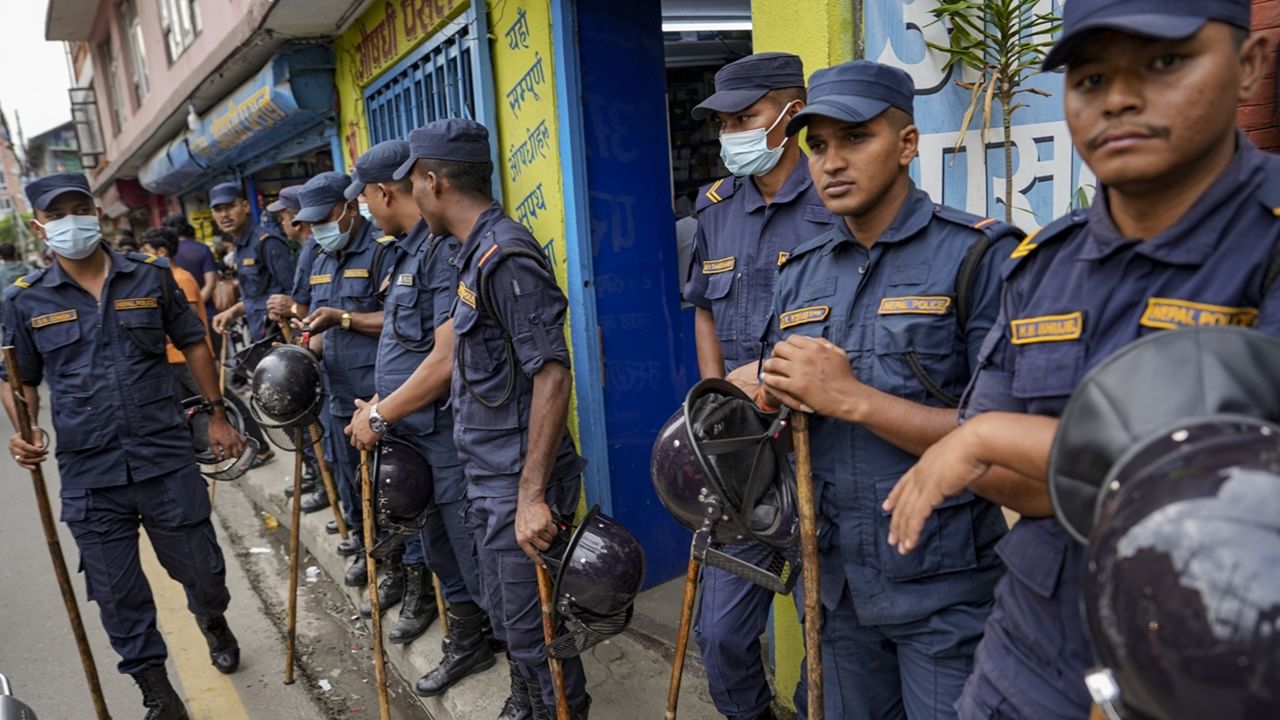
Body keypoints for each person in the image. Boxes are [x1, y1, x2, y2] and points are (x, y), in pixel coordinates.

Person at [880, 2, 1280, 718]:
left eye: (1165, 63)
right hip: (1032, 653)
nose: (1120, 98)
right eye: (1091, 77)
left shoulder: (1267, 250)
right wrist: (1003, 448)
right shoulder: (1042, 266)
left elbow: (1233, 494)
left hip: (1213, 671)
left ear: (1249, 64)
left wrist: (996, 437)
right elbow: (1013, 484)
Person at [729, 60, 1016, 720]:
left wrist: (852, 398)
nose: (831, 162)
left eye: (855, 139)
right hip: (835, 588)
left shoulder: (978, 257)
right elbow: (791, 408)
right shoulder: (801, 272)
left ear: (907, 144)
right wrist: (770, 397)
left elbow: (1009, 441)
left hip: (944, 596)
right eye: (818, 145)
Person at [4, 173, 248, 720]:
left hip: (164, 457)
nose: (71, 220)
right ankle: (159, 695)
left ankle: (212, 620)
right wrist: (26, 428)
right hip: (91, 473)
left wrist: (217, 415)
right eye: (57, 213)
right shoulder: (24, 300)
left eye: (78, 207)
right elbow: (18, 376)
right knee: (118, 596)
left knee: (203, 574)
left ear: (94, 211)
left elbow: (193, 341)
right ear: (41, 226)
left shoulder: (151, 277)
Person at [396, 118, 591, 718]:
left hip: (518, 485)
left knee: (538, 630)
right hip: (489, 476)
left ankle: (559, 709)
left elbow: (552, 374)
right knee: (514, 621)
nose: (411, 197)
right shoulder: (469, 253)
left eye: (413, 185)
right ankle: (529, 703)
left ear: (433, 181)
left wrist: (532, 495)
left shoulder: (505, 256)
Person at [681, 51, 834, 720]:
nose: (730, 134)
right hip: (743, 459)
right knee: (721, 636)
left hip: (826, 446)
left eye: (746, 117)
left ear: (791, 113)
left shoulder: (835, 199)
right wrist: (716, 404)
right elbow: (705, 310)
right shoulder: (714, 208)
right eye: (723, 123)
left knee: (832, 633)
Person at [344, 139, 499, 700]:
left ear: (384, 191)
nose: (363, 208)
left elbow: (445, 358)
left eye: (362, 197)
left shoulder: (443, 252)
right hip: (414, 432)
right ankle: (470, 637)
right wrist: (382, 403)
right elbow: (405, 344)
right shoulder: (408, 250)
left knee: (472, 550)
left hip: (447, 437)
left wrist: (382, 413)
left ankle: (501, 643)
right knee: (438, 545)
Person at [291, 172, 404, 590]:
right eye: (312, 221)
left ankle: (397, 570)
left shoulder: (383, 252)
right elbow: (319, 329)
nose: (320, 228)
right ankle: (364, 544)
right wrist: (301, 350)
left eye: (325, 217)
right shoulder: (321, 258)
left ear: (349, 207)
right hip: (335, 394)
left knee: (389, 488)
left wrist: (344, 317)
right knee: (350, 482)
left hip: (379, 394)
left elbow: (399, 322)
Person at [209, 181, 296, 343]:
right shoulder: (240, 246)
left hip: (281, 336)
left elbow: (294, 293)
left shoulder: (266, 242)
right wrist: (233, 311)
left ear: (246, 206)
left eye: (229, 207)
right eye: (218, 210)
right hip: (259, 335)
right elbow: (255, 298)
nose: (224, 215)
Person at [162, 213, 217, 332]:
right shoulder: (202, 249)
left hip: (180, 321)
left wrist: (187, 310)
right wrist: (198, 304)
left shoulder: (166, 254)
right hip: (208, 314)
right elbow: (211, 283)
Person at [0, 242, 32, 316]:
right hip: (29, 311)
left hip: (7, 313)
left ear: (1, 257)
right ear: (15, 254)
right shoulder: (29, 270)